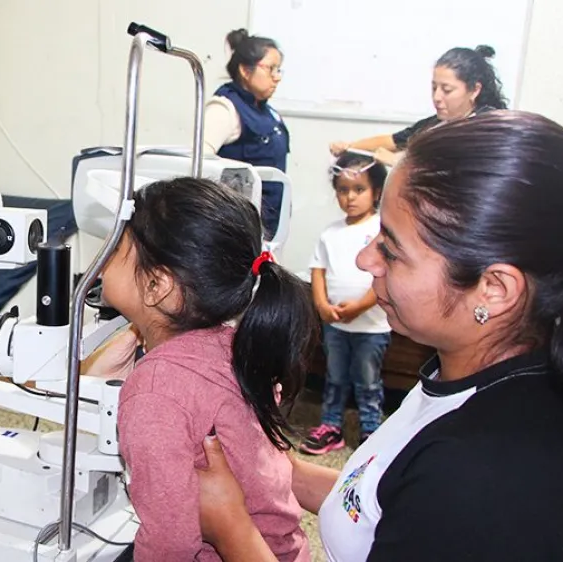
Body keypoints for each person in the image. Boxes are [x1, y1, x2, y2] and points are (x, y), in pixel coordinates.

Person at [196, 110, 563, 561]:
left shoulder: (482, 474)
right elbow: (381, 500)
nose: (364, 260)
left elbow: (433, 504)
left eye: (390, 251)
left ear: (494, 289)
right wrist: (270, 469)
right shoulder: (464, 375)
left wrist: (230, 526)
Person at [100, 177, 317, 561]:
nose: (100, 261)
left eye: (117, 248)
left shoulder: (155, 390)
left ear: (157, 285)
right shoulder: (237, 344)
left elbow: (171, 543)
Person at [300, 152, 390, 455]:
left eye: (359, 189)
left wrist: (361, 306)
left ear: (376, 192)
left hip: (372, 327)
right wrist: (322, 306)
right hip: (336, 326)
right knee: (334, 378)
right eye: (343, 190)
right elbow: (318, 271)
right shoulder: (330, 233)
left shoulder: (382, 230)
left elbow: (387, 274)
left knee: (367, 382)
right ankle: (331, 427)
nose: (350, 197)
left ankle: (371, 431)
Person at [330, 45, 508, 166]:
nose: (437, 97)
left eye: (447, 90)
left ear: (475, 90)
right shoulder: (435, 124)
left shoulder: (489, 127)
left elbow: (454, 170)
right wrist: (350, 147)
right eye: (434, 88)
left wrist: (399, 163)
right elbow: (392, 141)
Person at [203, 28, 289, 240]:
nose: (277, 78)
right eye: (271, 69)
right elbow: (199, 164)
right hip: (235, 229)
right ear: (245, 70)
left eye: (279, 70)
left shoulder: (269, 113)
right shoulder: (224, 109)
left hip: (268, 227)